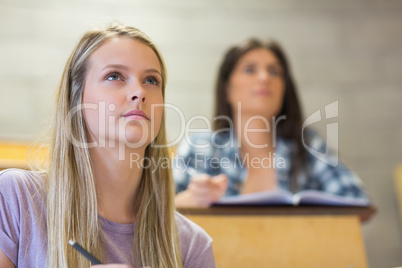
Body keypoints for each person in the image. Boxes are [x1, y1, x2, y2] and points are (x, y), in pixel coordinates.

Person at [0, 24, 215, 268]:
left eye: (151, 80)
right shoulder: (15, 198)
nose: (139, 92)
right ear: (77, 99)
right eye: (114, 76)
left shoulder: (192, 246)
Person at [174, 38, 368, 208]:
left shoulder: (307, 145)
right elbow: (152, 215)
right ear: (226, 89)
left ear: (285, 88)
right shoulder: (200, 146)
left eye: (274, 72)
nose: (265, 78)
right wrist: (190, 200)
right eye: (250, 69)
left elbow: (359, 203)